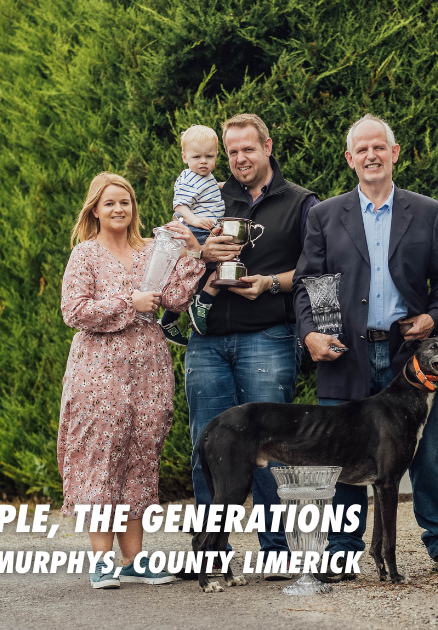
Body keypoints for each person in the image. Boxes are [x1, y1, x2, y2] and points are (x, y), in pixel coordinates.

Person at [293, 114, 438, 580]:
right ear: (350, 159)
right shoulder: (324, 215)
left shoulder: (427, 211)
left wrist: (434, 317)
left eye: (380, 147)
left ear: (395, 153)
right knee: (339, 455)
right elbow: (307, 284)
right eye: (362, 150)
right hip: (344, 353)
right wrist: (310, 334)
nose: (371, 155)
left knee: (428, 452)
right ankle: (342, 553)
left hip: (407, 359)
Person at [58, 172, 206, 588]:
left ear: (133, 207)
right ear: (95, 210)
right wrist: (130, 302)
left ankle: (134, 559)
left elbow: (175, 299)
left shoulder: (150, 251)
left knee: (142, 457)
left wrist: (192, 254)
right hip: (98, 369)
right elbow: (74, 310)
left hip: (148, 368)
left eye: (125, 201)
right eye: (109, 203)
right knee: (100, 459)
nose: (118, 209)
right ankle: (102, 559)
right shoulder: (84, 255)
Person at [184, 114, 319, 561]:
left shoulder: (301, 202)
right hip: (208, 342)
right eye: (233, 151)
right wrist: (202, 252)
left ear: (268, 146)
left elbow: (315, 270)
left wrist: (269, 283)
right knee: (207, 443)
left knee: (272, 449)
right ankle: (209, 550)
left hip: (269, 337)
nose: (240, 158)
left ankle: (276, 550)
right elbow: (177, 260)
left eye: (248, 149)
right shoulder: (211, 197)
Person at [158, 124, 226, 346]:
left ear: (217, 155)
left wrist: (225, 186)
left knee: (196, 275)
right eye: (197, 156)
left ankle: (170, 319)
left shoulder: (203, 177)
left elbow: (208, 190)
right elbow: (179, 205)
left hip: (205, 229)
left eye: (209, 156)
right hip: (196, 230)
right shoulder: (188, 177)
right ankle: (201, 302)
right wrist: (195, 221)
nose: (203, 161)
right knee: (218, 266)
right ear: (184, 157)